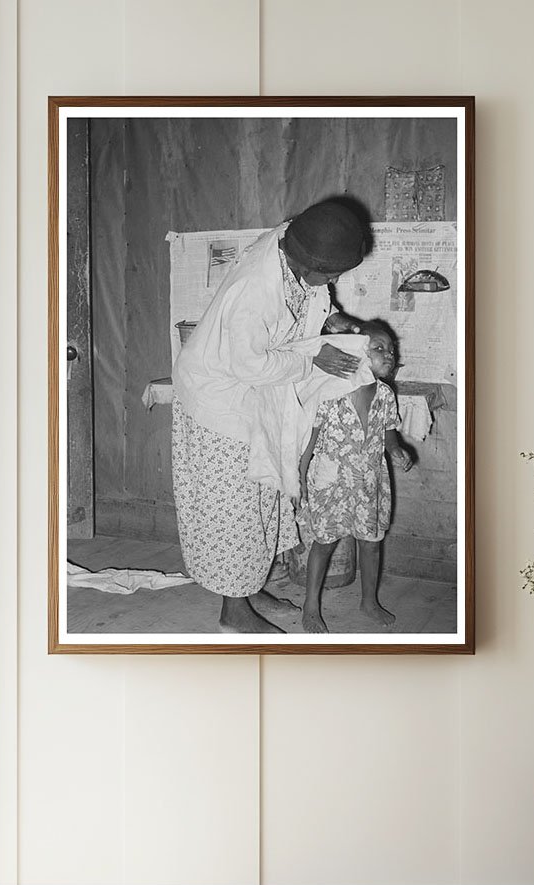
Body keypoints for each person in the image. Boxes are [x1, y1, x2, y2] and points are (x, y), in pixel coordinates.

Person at [171, 198, 370, 633]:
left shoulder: (290, 244)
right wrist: (313, 361)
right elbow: (249, 365)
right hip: (218, 404)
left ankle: (248, 585)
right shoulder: (254, 291)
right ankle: (234, 611)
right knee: (236, 511)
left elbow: (312, 298)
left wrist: (331, 321)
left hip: (249, 396)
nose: (333, 281)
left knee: (264, 501)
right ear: (306, 260)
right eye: (331, 274)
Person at [297, 323, 413, 633]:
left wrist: (398, 451)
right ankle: (310, 606)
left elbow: (389, 434)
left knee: (371, 543)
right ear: (355, 353)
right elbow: (312, 436)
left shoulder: (386, 395)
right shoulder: (330, 390)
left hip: (368, 480)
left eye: (391, 350)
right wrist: (300, 473)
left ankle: (369, 601)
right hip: (330, 481)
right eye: (379, 349)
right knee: (323, 542)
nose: (389, 354)